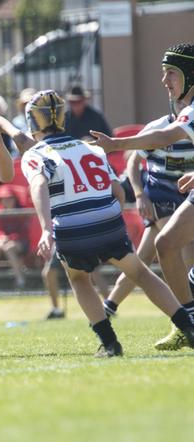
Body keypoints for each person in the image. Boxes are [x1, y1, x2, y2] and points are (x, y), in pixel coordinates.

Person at [23, 89, 194, 357]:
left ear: (33, 123)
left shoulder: (34, 154)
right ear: (63, 118)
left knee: (79, 279)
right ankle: (188, 326)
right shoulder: (91, 147)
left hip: (71, 228)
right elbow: (117, 191)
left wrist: (46, 227)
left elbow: (39, 184)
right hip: (109, 222)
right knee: (141, 273)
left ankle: (110, 343)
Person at [91, 43, 194, 349]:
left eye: (171, 73)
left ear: (189, 74)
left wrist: (115, 145)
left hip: (174, 199)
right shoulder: (182, 115)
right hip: (166, 198)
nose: (165, 81)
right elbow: (156, 139)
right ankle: (188, 324)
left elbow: (164, 137)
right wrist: (139, 192)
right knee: (164, 246)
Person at [102, 94, 194, 324]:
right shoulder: (159, 127)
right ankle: (187, 315)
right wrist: (140, 194)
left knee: (141, 260)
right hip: (161, 198)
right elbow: (133, 162)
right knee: (181, 250)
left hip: (186, 198)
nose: (184, 106)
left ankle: (108, 307)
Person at [0, 186, 28, 290]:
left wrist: (10, 238)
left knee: (9, 248)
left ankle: (20, 281)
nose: (7, 201)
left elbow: (24, 233)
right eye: (4, 199)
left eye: (10, 198)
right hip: (5, 241)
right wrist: (3, 237)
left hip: (21, 242)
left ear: (14, 199)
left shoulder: (22, 211)